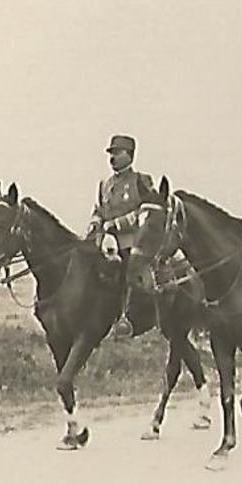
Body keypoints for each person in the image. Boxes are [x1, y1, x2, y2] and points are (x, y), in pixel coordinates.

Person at [87, 134, 161, 340]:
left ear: (130, 155)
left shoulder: (141, 181)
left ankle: (125, 320)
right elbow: (99, 209)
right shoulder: (105, 184)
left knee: (128, 275)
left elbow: (146, 211)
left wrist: (116, 224)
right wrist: (95, 224)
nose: (112, 158)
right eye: (111, 153)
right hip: (106, 243)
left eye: (117, 153)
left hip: (132, 243)